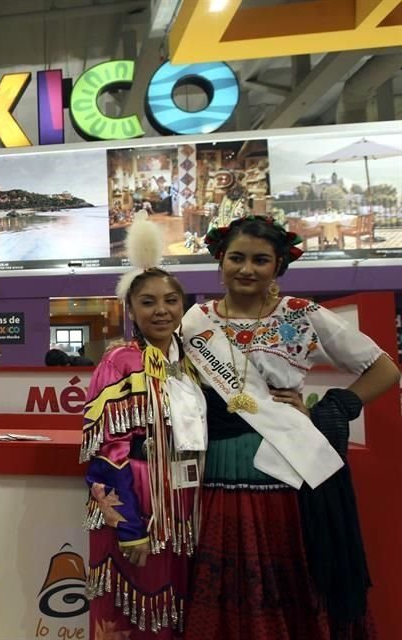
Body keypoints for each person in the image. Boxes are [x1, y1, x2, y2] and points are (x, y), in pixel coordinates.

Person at [183, 216, 400, 640]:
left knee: (288, 574)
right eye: (237, 258)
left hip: (286, 465)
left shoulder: (302, 315)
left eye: (261, 260)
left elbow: (384, 369)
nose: (247, 269)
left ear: (279, 265)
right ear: (220, 260)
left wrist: (332, 409)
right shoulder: (195, 320)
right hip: (217, 466)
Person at [80, 215, 208, 639]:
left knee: (178, 609)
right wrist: (128, 524)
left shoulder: (194, 363)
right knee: (131, 617)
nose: (163, 310)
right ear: (130, 308)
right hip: (139, 504)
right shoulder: (120, 362)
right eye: (149, 301)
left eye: (172, 300)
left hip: (185, 505)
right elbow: (104, 451)